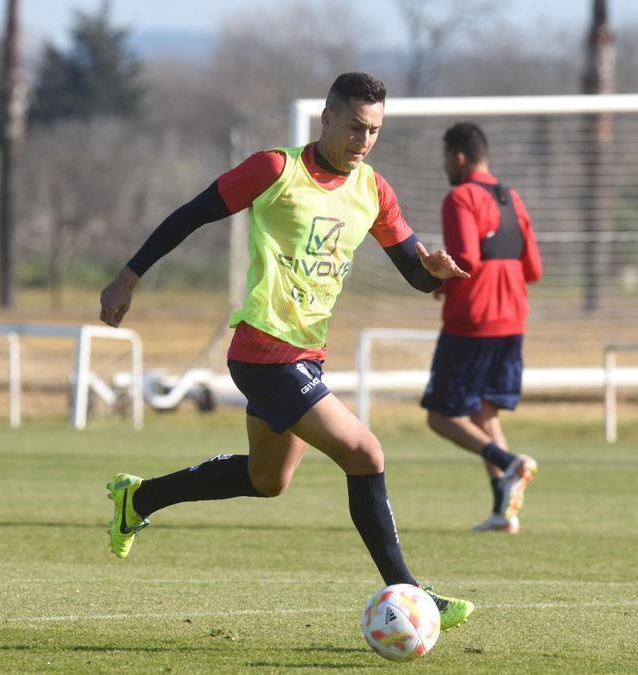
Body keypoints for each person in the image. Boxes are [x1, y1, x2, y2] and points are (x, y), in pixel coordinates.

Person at [99, 72, 476, 631]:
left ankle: (140, 500)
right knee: (366, 453)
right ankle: (411, 593)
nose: (363, 140)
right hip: (263, 351)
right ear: (326, 118)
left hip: (306, 354)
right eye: (354, 127)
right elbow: (190, 213)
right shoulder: (275, 169)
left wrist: (435, 274)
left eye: (373, 131)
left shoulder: (373, 190)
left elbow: (413, 275)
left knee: (267, 480)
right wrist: (128, 277)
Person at [421, 122, 543, 534]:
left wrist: (438, 282)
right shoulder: (513, 198)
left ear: (457, 157)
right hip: (513, 318)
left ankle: (511, 463)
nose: (444, 167)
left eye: (444, 159)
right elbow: (534, 269)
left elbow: (466, 259)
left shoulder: (460, 197)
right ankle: (504, 513)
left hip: (473, 319)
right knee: (483, 411)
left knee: (440, 416)